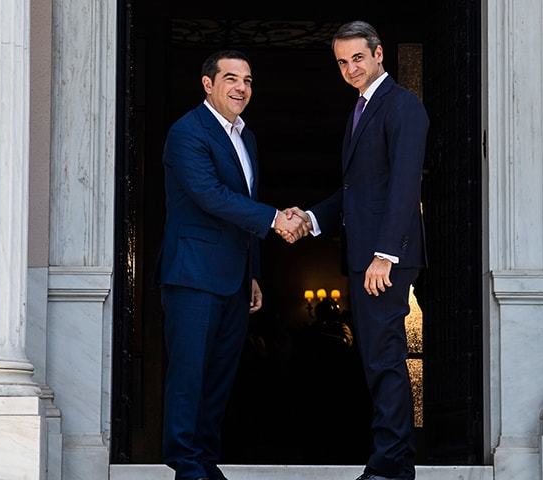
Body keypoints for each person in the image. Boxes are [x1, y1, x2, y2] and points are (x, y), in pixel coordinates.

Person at [286, 20, 429, 480]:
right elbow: (357, 191)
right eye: (342, 62)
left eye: (357, 58)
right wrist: (310, 219)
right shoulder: (362, 109)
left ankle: (392, 465)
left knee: (385, 357)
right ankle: (390, 458)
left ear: (379, 54)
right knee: (376, 358)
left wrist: (385, 255)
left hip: (383, 261)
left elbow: (405, 185)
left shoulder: (402, 106)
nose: (350, 68)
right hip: (366, 257)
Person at [158, 49, 310, 480]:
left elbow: (239, 206)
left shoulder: (246, 138)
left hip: (234, 277)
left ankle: (204, 462)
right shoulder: (187, 132)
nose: (241, 87)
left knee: (219, 378)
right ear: (208, 84)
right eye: (231, 79)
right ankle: (187, 466)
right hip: (192, 275)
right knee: (189, 375)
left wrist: (254, 272)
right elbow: (209, 195)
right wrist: (275, 218)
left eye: (247, 80)